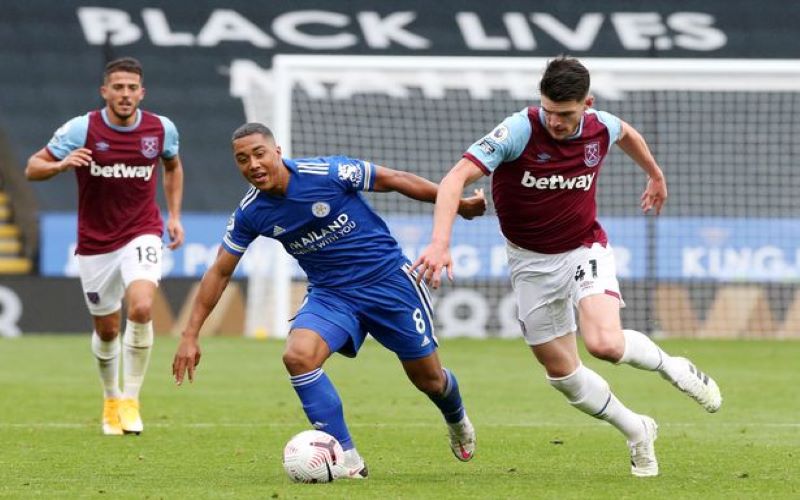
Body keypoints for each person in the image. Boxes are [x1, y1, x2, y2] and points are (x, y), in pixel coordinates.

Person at [411, 56, 722, 477]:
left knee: (605, 344)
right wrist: (440, 242)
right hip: (528, 262)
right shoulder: (518, 130)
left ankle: (673, 367)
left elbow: (626, 133)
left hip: (583, 248)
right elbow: (454, 179)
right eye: (550, 112)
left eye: (566, 114)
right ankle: (637, 430)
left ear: (587, 104)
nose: (556, 122)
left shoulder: (600, 126)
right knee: (561, 374)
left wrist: (655, 174)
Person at [172, 123, 485, 478]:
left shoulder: (328, 172)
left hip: (388, 284)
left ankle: (455, 417)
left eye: (259, 153)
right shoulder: (251, 212)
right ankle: (348, 458)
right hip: (332, 294)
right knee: (298, 356)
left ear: (277, 151)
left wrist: (457, 205)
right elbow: (220, 271)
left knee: (429, 381)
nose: (253, 165)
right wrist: (190, 333)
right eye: (242, 160)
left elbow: (395, 178)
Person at [26, 57, 185, 436]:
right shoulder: (82, 129)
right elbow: (33, 167)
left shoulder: (161, 129)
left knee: (144, 306)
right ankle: (111, 397)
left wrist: (174, 216)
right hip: (96, 243)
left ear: (141, 93)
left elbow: (173, 166)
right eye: (118, 87)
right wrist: (62, 165)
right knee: (109, 329)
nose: (125, 94)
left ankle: (131, 398)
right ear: (105, 92)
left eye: (132, 88)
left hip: (142, 232)